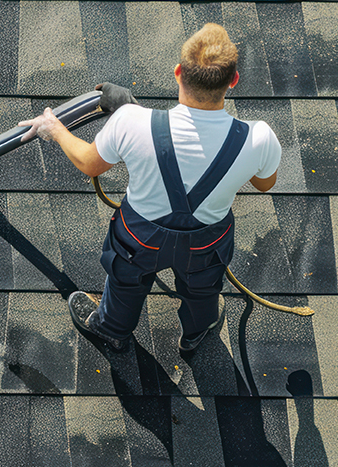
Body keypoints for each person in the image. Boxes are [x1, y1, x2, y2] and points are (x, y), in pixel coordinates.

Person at [19, 23, 281, 354]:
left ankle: (113, 330)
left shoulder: (130, 122)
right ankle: (197, 333)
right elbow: (264, 183)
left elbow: (90, 164)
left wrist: (55, 129)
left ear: (177, 73)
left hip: (138, 239)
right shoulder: (259, 138)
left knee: (125, 282)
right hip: (206, 243)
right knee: (203, 289)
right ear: (234, 81)